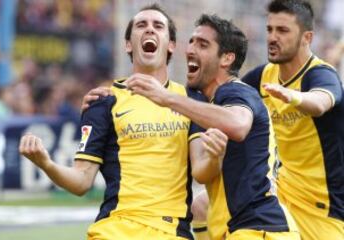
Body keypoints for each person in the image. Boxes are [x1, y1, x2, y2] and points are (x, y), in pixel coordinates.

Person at [19, 4, 227, 240]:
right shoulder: (103, 102)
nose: (150, 30)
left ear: (171, 45)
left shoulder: (190, 101)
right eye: (141, 25)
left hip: (170, 231)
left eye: (158, 26)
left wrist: (215, 157)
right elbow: (81, 181)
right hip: (116, 229)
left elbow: (201, 172)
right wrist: (46, 164)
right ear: (128, 44)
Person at [125, 14, 300, 240]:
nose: (191, 50)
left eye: (203, 44)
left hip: (261, 228)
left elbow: (238, 125)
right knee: (199, 205)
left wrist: (167, 98)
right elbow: (201, 181)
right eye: (191, 41)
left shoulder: (235, 91)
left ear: (226, 59)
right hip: (245, 230)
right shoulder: (205, 106)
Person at [242, 0, 344, 239]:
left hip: (322, 209)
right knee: (203, 204)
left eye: (283, 30)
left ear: (307, 37)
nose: (272, 37)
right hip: (282, 196)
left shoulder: (320, 74)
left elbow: (320, 103)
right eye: (269, 30)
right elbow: (225, 97)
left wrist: (294, 97)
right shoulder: (262, 76)